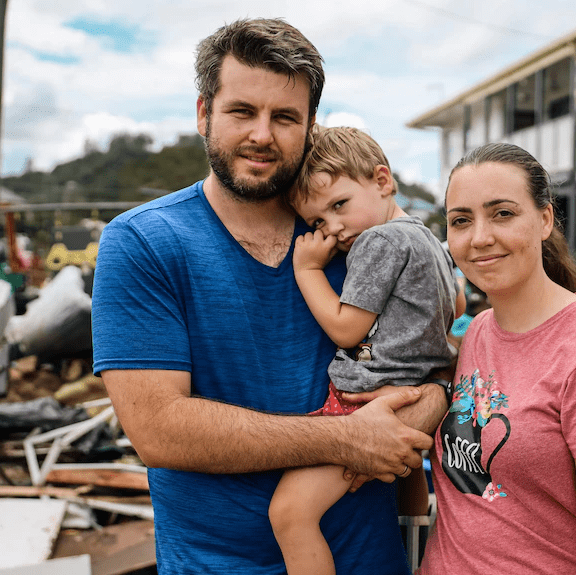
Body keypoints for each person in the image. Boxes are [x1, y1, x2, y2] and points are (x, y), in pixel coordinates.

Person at [91, 18, 449, 574]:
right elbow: (159, 430)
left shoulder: (355, 235)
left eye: (285, 117)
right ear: (204, 113)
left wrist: (428, 403)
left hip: (372, 560)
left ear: (310, 126)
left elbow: (438, 354)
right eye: (242, 111)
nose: (262, 134)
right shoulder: (144, 243)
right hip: (216, 564)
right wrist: (347, 439)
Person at [418, 143, 576, 575]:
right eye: (461, 221)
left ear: (545, 219)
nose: (479, 237)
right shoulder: (476, 332)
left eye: (502, 214)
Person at [268, 125, 465, 575]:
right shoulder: (428, 239)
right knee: (408, 477)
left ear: (382, 181)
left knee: (290, 514)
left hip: (369, 401)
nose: (334, 229)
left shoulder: (380, 240)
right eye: (319, 221)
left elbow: (345, 329)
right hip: (416, 390)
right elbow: (457, 304)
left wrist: (307, 268)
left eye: (339, 206)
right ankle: (414, 551)